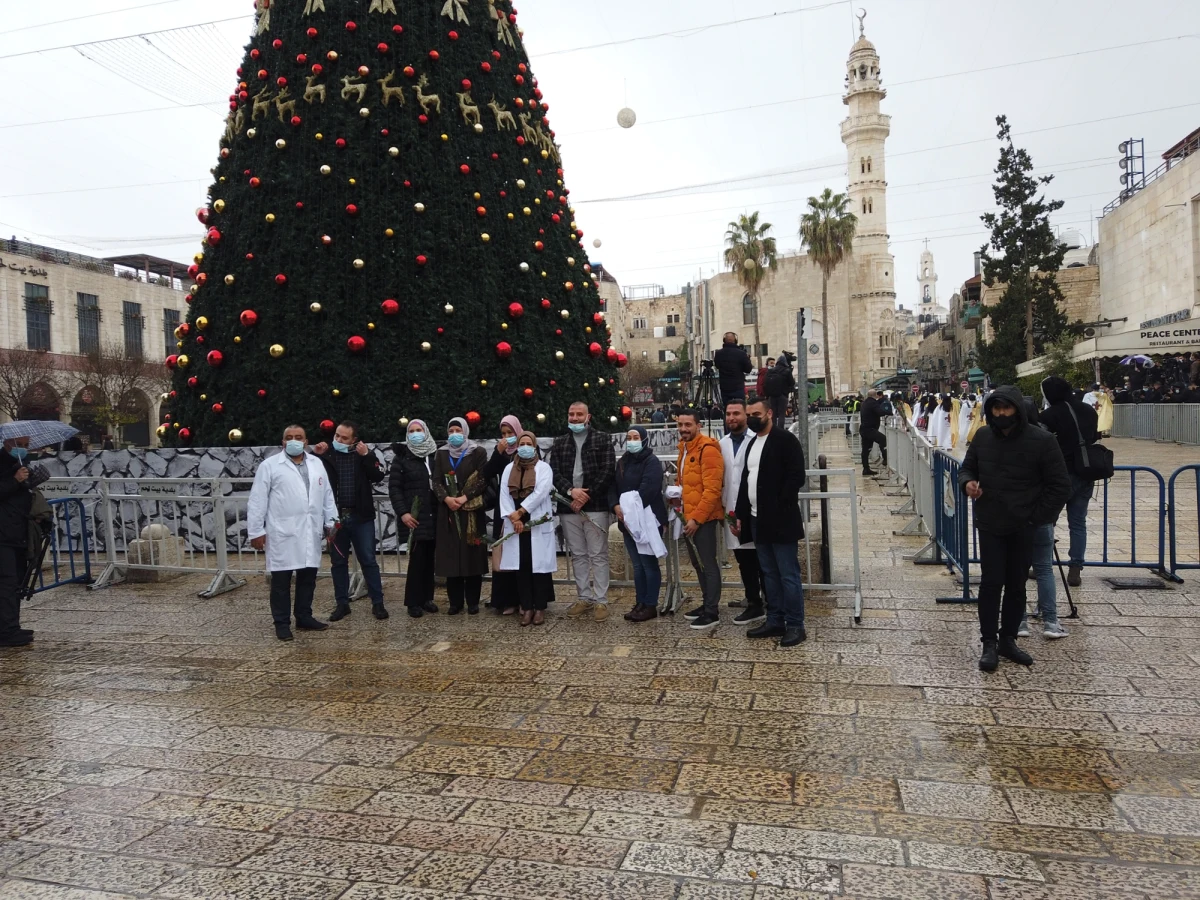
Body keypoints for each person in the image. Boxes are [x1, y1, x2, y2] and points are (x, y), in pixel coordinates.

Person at [959, 387, 1071, 671]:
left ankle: (1008, 639)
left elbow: (1059, 486)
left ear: (1017, 410)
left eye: (1006, 409)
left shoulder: (1042, 441)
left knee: (1016, 584)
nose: (1000, 414)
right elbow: (967, 468)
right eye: (995, 409)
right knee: (991, 583)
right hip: (990, 523)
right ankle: (989, 643)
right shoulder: (983, 436)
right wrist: (967, 483)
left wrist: (1037, 517)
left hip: (1024, 525)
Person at [247, 425, 337, 641]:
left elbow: (327, 495)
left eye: (299, 437)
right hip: (282, 531)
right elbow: (258, 500)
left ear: (306, 442)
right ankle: (281, 622)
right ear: (282, 442)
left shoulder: (316, 464)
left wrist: (332, 523)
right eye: (289, 437)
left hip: (310, 529)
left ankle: (304, 616)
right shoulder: (270, 466)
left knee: (308, 577)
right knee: (281, 580)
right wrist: (256, 531)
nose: (294, 440)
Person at [734, 396, 808, 647]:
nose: (752, 418)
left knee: (788, 574)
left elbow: (796, 476)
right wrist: (741, 514)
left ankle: (795, 624)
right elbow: (747, 480)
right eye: (749, 414)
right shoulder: (752, 443)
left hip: (780, 519)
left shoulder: (786, 440)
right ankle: (775, 619)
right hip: (757, 520)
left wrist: (779, 504)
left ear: (769, 414)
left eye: (756, 414)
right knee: (769, 574)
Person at [313, 422, 387, 621]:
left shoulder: (361, 456)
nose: (338, 440)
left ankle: (377, 602)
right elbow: (311, 475)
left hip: (361, 517)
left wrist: (367, 456)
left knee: (368, 560)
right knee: (338, 561)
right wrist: (317, 455)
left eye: (344, 438)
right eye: (337, 436)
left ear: (354, 440)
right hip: (335, 518)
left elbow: (378, 475)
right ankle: (342, 603)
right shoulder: (327, 455)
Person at [550, 401, 616, 622]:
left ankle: (601, 601)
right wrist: (571, 492)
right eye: (571, 414)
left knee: (598, 554)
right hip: (569, 506)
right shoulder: (559, 443)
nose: (575, 418)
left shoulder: (602, 439)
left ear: (588, 417)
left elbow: (607, 470)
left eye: (579, 414)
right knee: (578, 554)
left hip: (595, 505)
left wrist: (585, 496)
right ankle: (583, 597)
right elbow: (555, 472)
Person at [1038, 376, 1099, 588]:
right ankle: (1075, 568)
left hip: (1060, 475)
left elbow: (1041, 443)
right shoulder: (1088, 410)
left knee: (1046, 522)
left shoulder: (1048, 415)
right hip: (1086, 472)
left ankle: (1041, 565)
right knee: (1078, 522)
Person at [432, 417, 490, 615]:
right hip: (448, 512)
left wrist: (465, 497)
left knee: (472, 556)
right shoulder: (441, 454)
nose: (454, 434)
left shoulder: (477, 452)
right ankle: (455, 602)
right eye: (451, 431)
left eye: (458, 430)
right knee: (451, 557)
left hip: (471, 511)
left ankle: (473, 601)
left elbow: (483, 479)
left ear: (465, 431)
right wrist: (447, 499)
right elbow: (436, 480)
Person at [498, 432, 556, 626]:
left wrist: (522, 511)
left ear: (534, 446)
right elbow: (504, 494)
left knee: (537, 568)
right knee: (521, 568)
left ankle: (539, 608)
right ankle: (527, 607)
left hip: (535, 521)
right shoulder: (509, 468)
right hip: (516, 524)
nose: (524, 446)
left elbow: (540, 492)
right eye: (521, 443)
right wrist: (512, 516)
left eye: (528, 443)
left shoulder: (544, 468)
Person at [611, 426, 668, 622]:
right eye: (629, 437)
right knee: (637, 565)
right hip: (626, 521)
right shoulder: (623, 462)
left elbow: (648, 489)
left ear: (644, 440)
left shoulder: (651, 462)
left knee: (648, 564)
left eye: (636, 437)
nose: (632, 440)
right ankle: (640, 602)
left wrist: (628, 511)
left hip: (647, 520)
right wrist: (615, 506)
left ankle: (650, 604)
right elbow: (613, 486)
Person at [674, 410, 724, 630]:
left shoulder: (708, 449)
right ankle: (706, 604)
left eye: (688, 425)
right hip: (687, 516)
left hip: (702, 518)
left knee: (708, 564)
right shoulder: (684, 449)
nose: (684, 429)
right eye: (680, 425)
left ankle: (712, 610)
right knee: (698, 564)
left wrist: (697, 519)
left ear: (698, 425)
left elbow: (713, 490)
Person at [719, 400, 766, 625]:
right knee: (743, 559)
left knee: (761, 558)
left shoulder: (755, 440)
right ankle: (753, 602)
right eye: (728, 414)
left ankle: (771, 601)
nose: (732, 418)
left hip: (753, 509)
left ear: (746, 416)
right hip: (730, 509)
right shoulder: (721, 443)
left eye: (736, 413)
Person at [389, 419, 440, 618]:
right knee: (417, 560)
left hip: (433, 515)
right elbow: (394, 488)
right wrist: (404, 513)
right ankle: (413, 601)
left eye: (419, 430)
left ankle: (427, 598)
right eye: (412, 431)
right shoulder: (401, 458)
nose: (416, 433)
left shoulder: (434, 455)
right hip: (414, 517)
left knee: (429, 560)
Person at [483, 415, 525, 615]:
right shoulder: (500, 454)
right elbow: (487, 474)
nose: (507, 437)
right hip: (503, 508)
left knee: (523, 552)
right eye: (504, 434)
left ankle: (524, 598)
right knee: (505, 551)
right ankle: (506, 600)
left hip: (522, 507)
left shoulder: (526, 450)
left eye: (511, 433)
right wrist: (498, 453)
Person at [0, 436, 36, 647]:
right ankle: (7, 631)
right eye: (19, 445)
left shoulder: (20, 464)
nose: (23, 449)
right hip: (3, 534)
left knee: (15, 583)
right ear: (7, 443)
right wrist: (15, 480)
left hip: (17, 532)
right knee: (6, 582)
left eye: (26, 446)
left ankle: (11, 625)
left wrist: (31, 481)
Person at [713, 332, 752, 405]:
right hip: (738, 387)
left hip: (725, 387)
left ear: (724, 340)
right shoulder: (741, 353)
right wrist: (748, 360)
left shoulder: (718, 353)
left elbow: (717, 366)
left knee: (728, 408)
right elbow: (748, 369)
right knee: (739, 407)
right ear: (735, 340)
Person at [858, 389, 888, 476]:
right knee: (883, 439)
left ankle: (866, 469)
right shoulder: (873, 403)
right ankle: (885, 459)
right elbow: (880, 412)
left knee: (866, 450)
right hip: (869, 429)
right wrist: (888, 412)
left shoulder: (865, 403)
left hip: (864, 429)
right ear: (875, 395)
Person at [763, 353, 796, 426]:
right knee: (781, 414)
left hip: (772, 396)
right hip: (782, 395)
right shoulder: (787, 370)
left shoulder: (771, 371)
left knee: (773, 415)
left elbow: (765, 383)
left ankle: (773, 430)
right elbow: (792, 383)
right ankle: (780, 430)